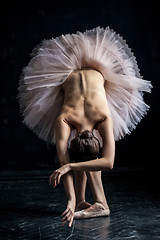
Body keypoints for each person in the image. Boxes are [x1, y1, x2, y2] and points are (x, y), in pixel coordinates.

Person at [18, 27, 152, 228]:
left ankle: (87, 201)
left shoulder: (82, 118)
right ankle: (88, 201)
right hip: (86, 67)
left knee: (86, 159)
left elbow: (96, 162)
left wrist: (70, 174)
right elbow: (106, 163)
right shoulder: (81, 117)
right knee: (87, 160)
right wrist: (70, 177)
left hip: (84, 68)